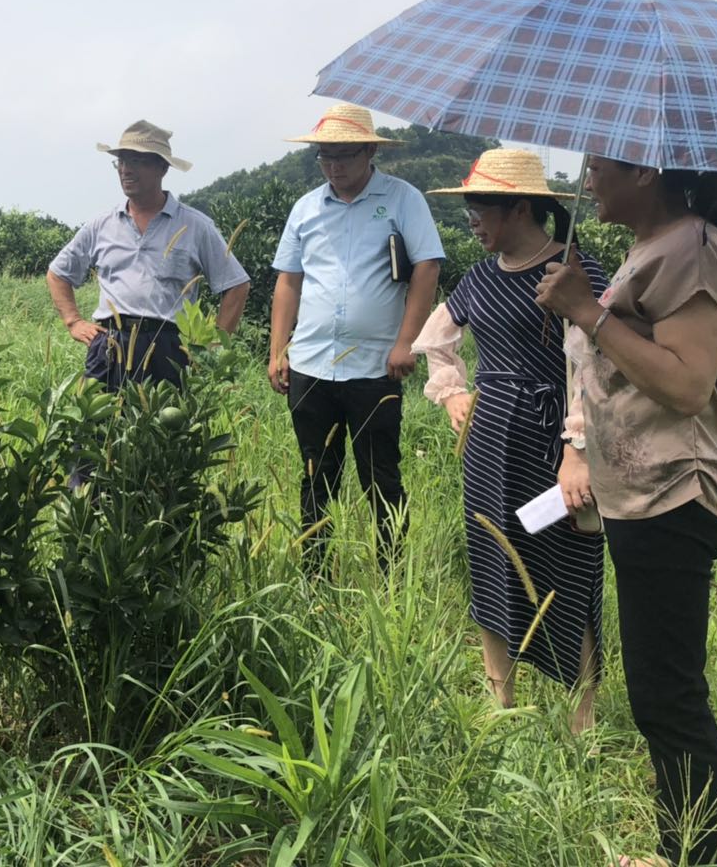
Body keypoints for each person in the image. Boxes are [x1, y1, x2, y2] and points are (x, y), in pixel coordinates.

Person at [536, 158, 717, 866]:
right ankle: (682, 850)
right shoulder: (655, 247)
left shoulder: (691, 248)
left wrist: (589, 312)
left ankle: (701, 857)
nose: (589, 179)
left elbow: (688, 386)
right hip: (644, 493)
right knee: (659, 692)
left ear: (646, 170)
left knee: (669, 696)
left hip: (675, 489)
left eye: (600, 166)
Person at [412, 149, 607, 733]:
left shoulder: (574, 274)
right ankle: (500, 704)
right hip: (488, 441)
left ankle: (584, 716)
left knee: (570, 565)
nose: (471, 218)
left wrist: (577, 452)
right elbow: (438, 340)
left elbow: (591, 369)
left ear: (519, 207)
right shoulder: (477, 278)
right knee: (493, 560)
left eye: (479, 206)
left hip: (554, 445)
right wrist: (451, 393)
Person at [269, 103, 444, 570]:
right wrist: (278, 350)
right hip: (310, 364)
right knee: (315, 476)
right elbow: (288, 280)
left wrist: (406, 343)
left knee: (380, 476)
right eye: (325, 156)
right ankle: (315, 576)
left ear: (369, 150)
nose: (334, 166)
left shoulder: (403, 199)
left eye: (344, 155)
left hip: (374, 366)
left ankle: (392, 578)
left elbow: (427, 267)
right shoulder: (306, 208)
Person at [46, 120, 250, 390]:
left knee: (166, 429)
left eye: (137, 161)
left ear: (162, 168)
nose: (126, 170)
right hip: (110, 344)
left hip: (169, 348)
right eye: (121, 161)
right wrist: (73, 321)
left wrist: (212, 347)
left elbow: (236, 284)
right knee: (101, 430)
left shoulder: (195, 226)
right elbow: (58, 273)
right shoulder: (101, 224)